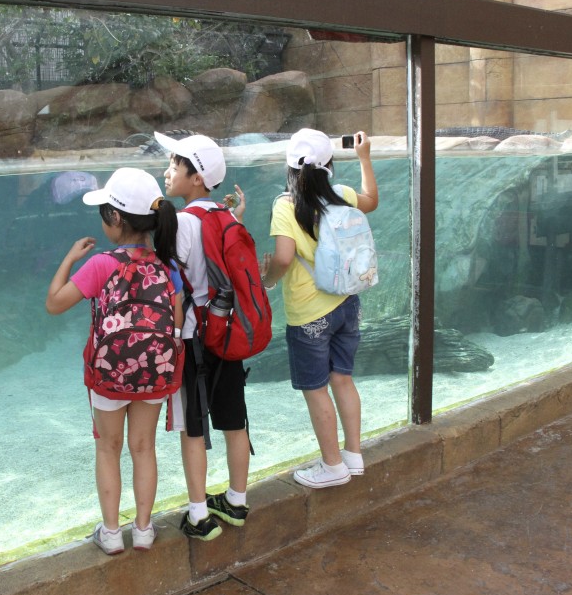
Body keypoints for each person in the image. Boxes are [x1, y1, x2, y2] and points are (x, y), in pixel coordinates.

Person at [45, 167, 184, 554]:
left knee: (108, 447)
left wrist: (70, 258)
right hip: (155, 372)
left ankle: (110, 533)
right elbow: (176, 321)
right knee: (144, 447)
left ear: (116, 218)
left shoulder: (101, 264)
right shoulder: (168, 266)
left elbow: (54, 303)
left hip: (109, 375)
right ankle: (143, 530)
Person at [260, 129, 378, 489]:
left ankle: (332, 466)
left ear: (290, 169)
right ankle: (353, 454)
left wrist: (268, 279)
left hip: (309, 314)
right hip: (347, 303)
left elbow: (283, 258)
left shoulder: (285, 206)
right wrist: (364, 157)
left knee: (316, 389)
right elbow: (371, 201)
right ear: (329, 164)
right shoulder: (341, 194)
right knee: (343, 379)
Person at [157, 132, 252, 541]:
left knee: (193, 428)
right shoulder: (227, 217)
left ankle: (198, 515)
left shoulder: (183, 223)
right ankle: (236, 501)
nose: (167, 172)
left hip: (193, 340)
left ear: (196, 178)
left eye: (174, 166)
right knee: (234, 421)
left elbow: (171, 279)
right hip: (228, 335)